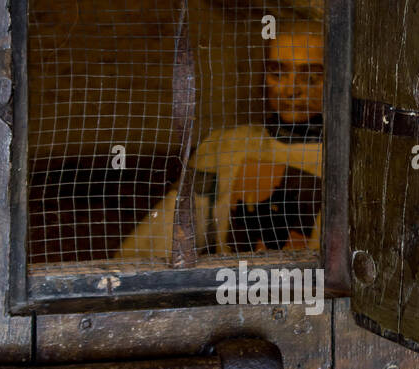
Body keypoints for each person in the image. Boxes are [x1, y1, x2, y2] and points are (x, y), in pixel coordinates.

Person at [113, 20, 324, 266]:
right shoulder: (224, 147)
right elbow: (166, 234)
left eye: (310, 78)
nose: (290, 90)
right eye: (278, 73)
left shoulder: (349, 158)